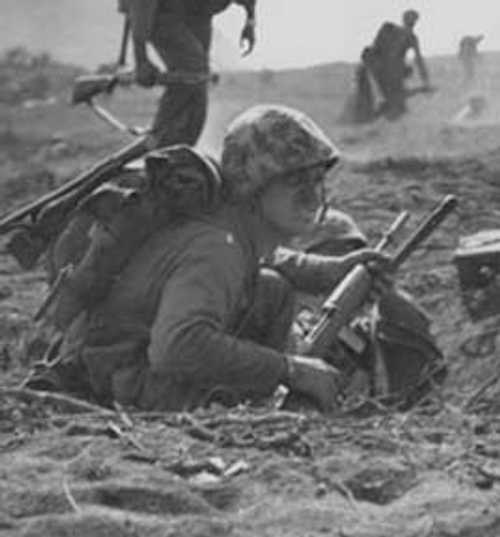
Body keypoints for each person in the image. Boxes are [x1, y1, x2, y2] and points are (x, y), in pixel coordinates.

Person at [25, 105, 391, 413]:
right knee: (267, 305)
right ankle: (263, 403)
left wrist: (334, 272)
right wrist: (290, 370)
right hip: (121, 381)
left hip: (123, 361)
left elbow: (271, 260)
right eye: (296, 182)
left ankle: (267, 395)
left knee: (272, 289)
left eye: (317, 180)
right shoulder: (217, 248)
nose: (312, 197)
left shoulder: (229, 226)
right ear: (256, 185)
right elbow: (175, 348)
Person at [119, 0, 257, 148]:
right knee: (194, 69)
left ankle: (183, 147)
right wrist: (141, 59)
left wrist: (250, 22)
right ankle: (157, 139)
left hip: (197, 12)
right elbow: (141, 6)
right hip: (160, 11)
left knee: (199, 82)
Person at [360, 9, 431, 119]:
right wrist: (425, 82)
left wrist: (425, 82)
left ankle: (383, 105)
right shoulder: (394, 31)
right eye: (411, 19)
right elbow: (419, 61)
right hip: (383, 68)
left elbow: (419, 61)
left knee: (395, 105)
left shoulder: (403, 34)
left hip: (386, 70)